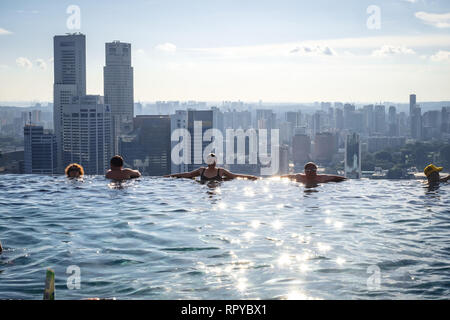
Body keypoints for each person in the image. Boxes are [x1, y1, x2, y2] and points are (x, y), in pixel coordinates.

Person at [165, 153, 258, 182]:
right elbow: (235, 176)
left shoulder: (218, 171)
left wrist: (251, 177)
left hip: (205, 186)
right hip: (208, 186)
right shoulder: (218, 171)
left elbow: (187, 175)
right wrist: (171, 175)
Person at [282, 162, 346, 184]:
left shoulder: (322, 178)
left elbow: (336, 178)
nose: (311, 173)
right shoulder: (299, 177)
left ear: (316, 171)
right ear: (305, 171)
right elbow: (285, 177)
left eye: (313, 170)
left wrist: (347, 179)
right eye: (309, 171)